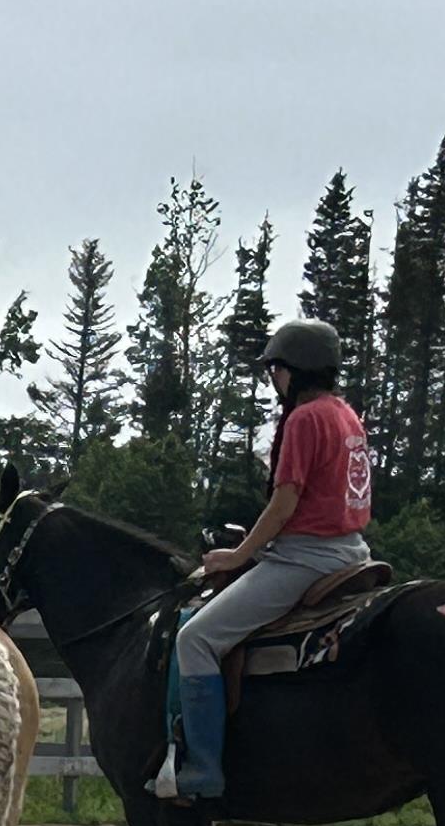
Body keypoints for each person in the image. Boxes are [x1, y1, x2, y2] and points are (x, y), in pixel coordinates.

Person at [159, 318, 372, 801]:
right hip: (354, 552)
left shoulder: (303, 419)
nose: (273, 380)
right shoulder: (346, 415)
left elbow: (284, 503)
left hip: (305, 559)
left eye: (275, 370)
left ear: (294, 370)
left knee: (195, 638)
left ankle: (204, 769)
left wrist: (238, 554)